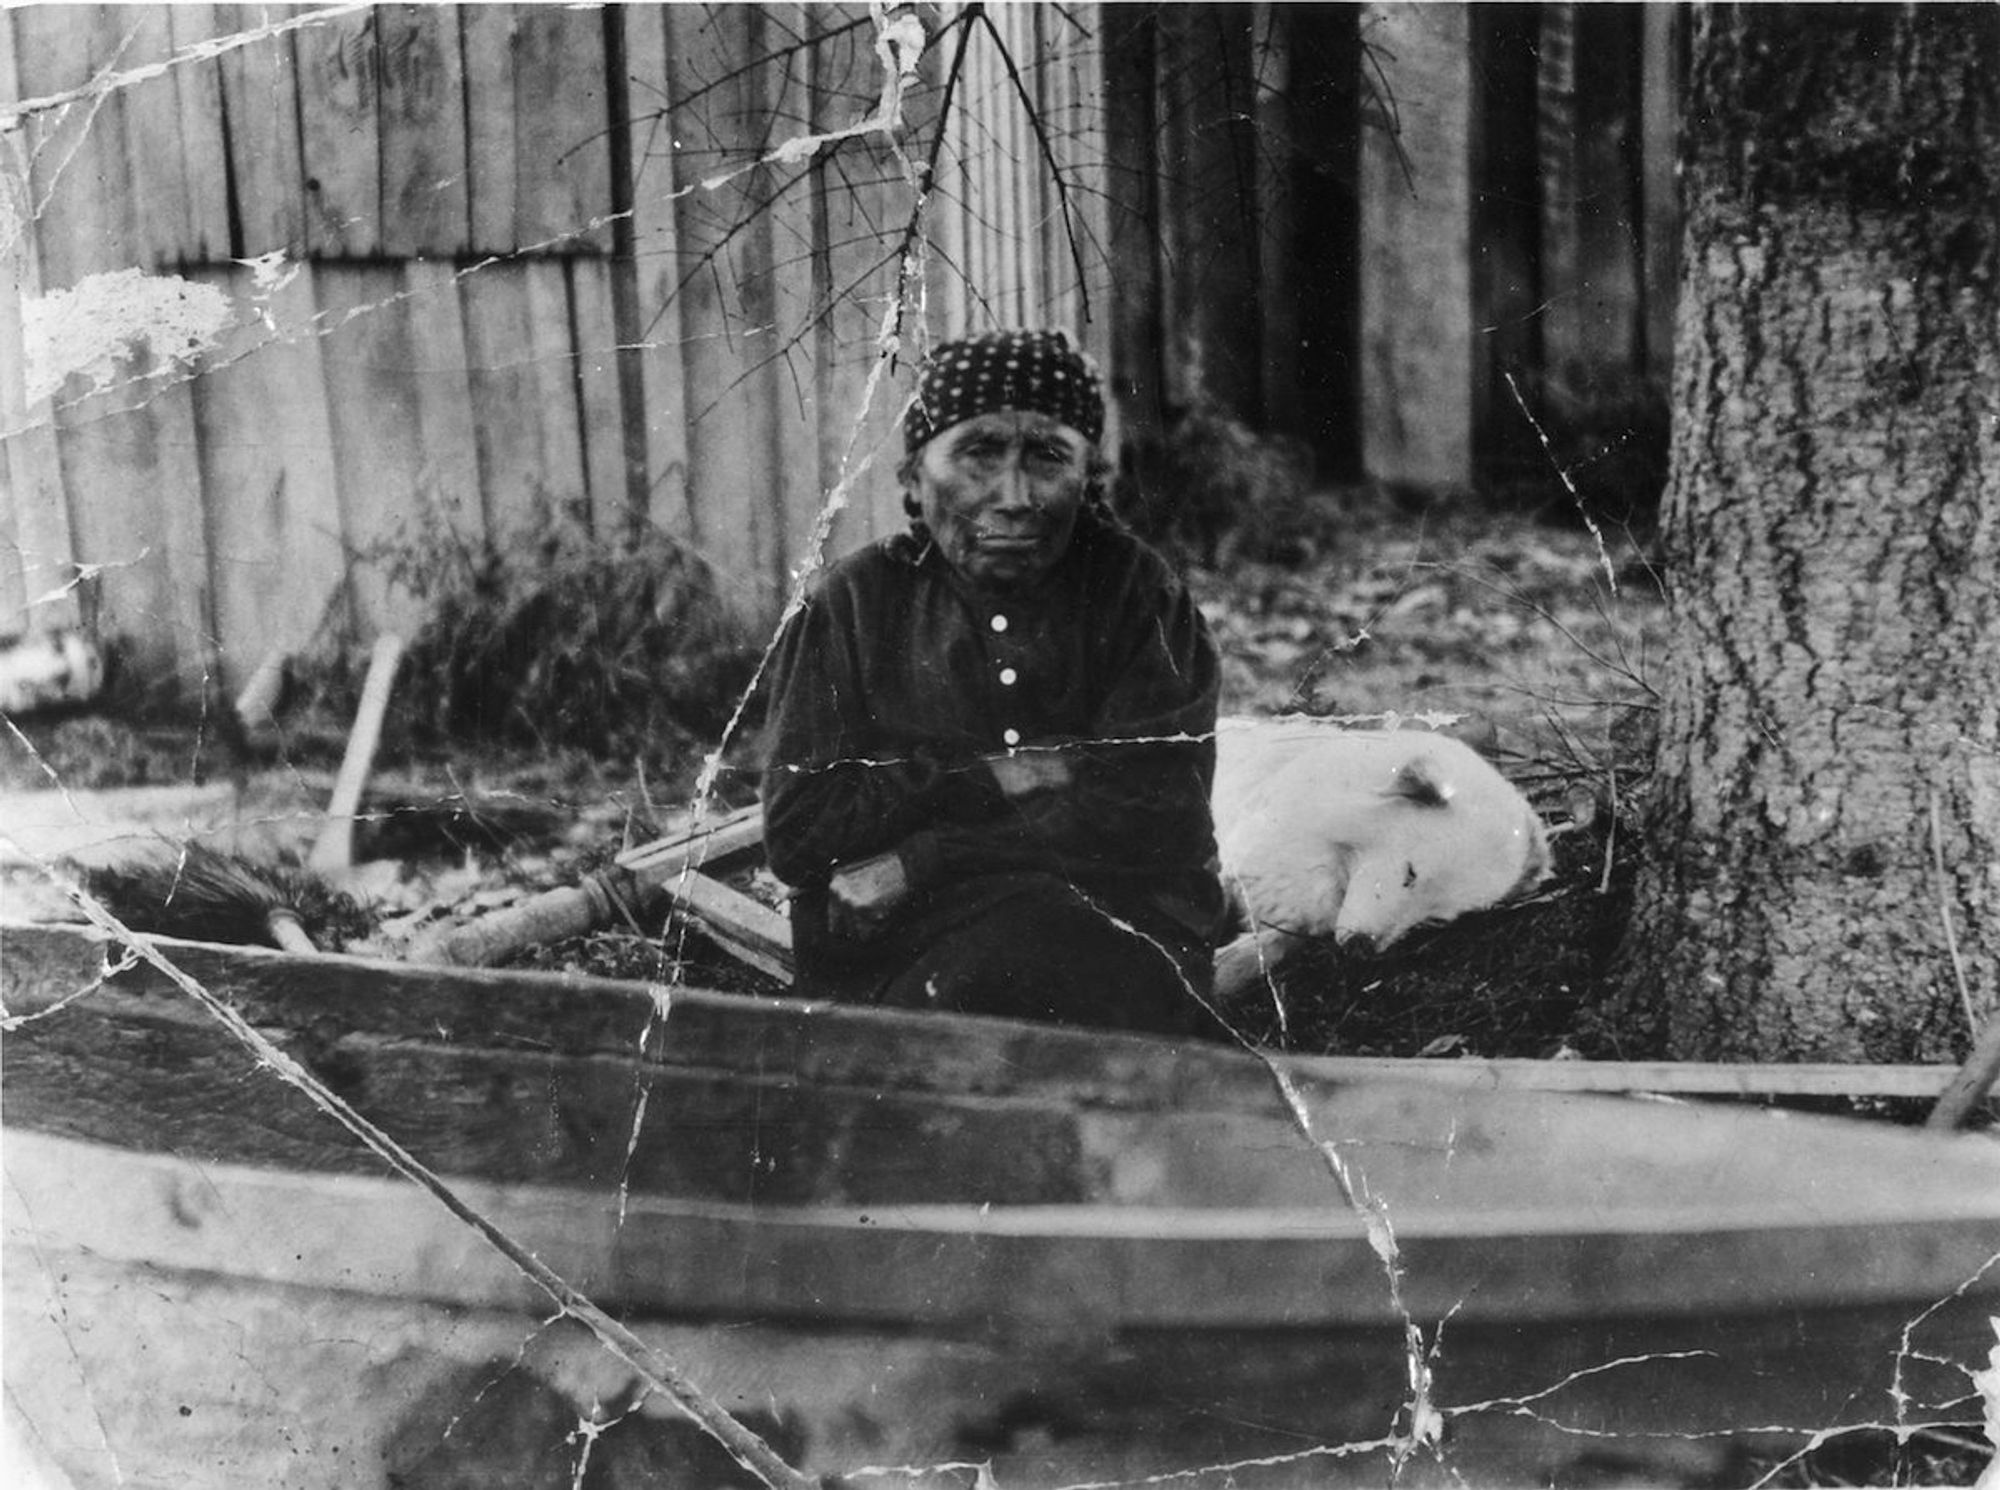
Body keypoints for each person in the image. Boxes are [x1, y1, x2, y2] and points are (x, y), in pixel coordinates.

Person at [759, 328, 1228, 1037]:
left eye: (1046, 456)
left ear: (1088, 477)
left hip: (1116, 925)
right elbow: (800, 831)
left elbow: (1159, 815)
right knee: (997, 975)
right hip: (901, 939)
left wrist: (924, 857)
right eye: (978, 452)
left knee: (1050, 952)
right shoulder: (854, 604)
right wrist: (995, 775)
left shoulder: (1139, 596)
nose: (1013, 495)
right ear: (915, 478)